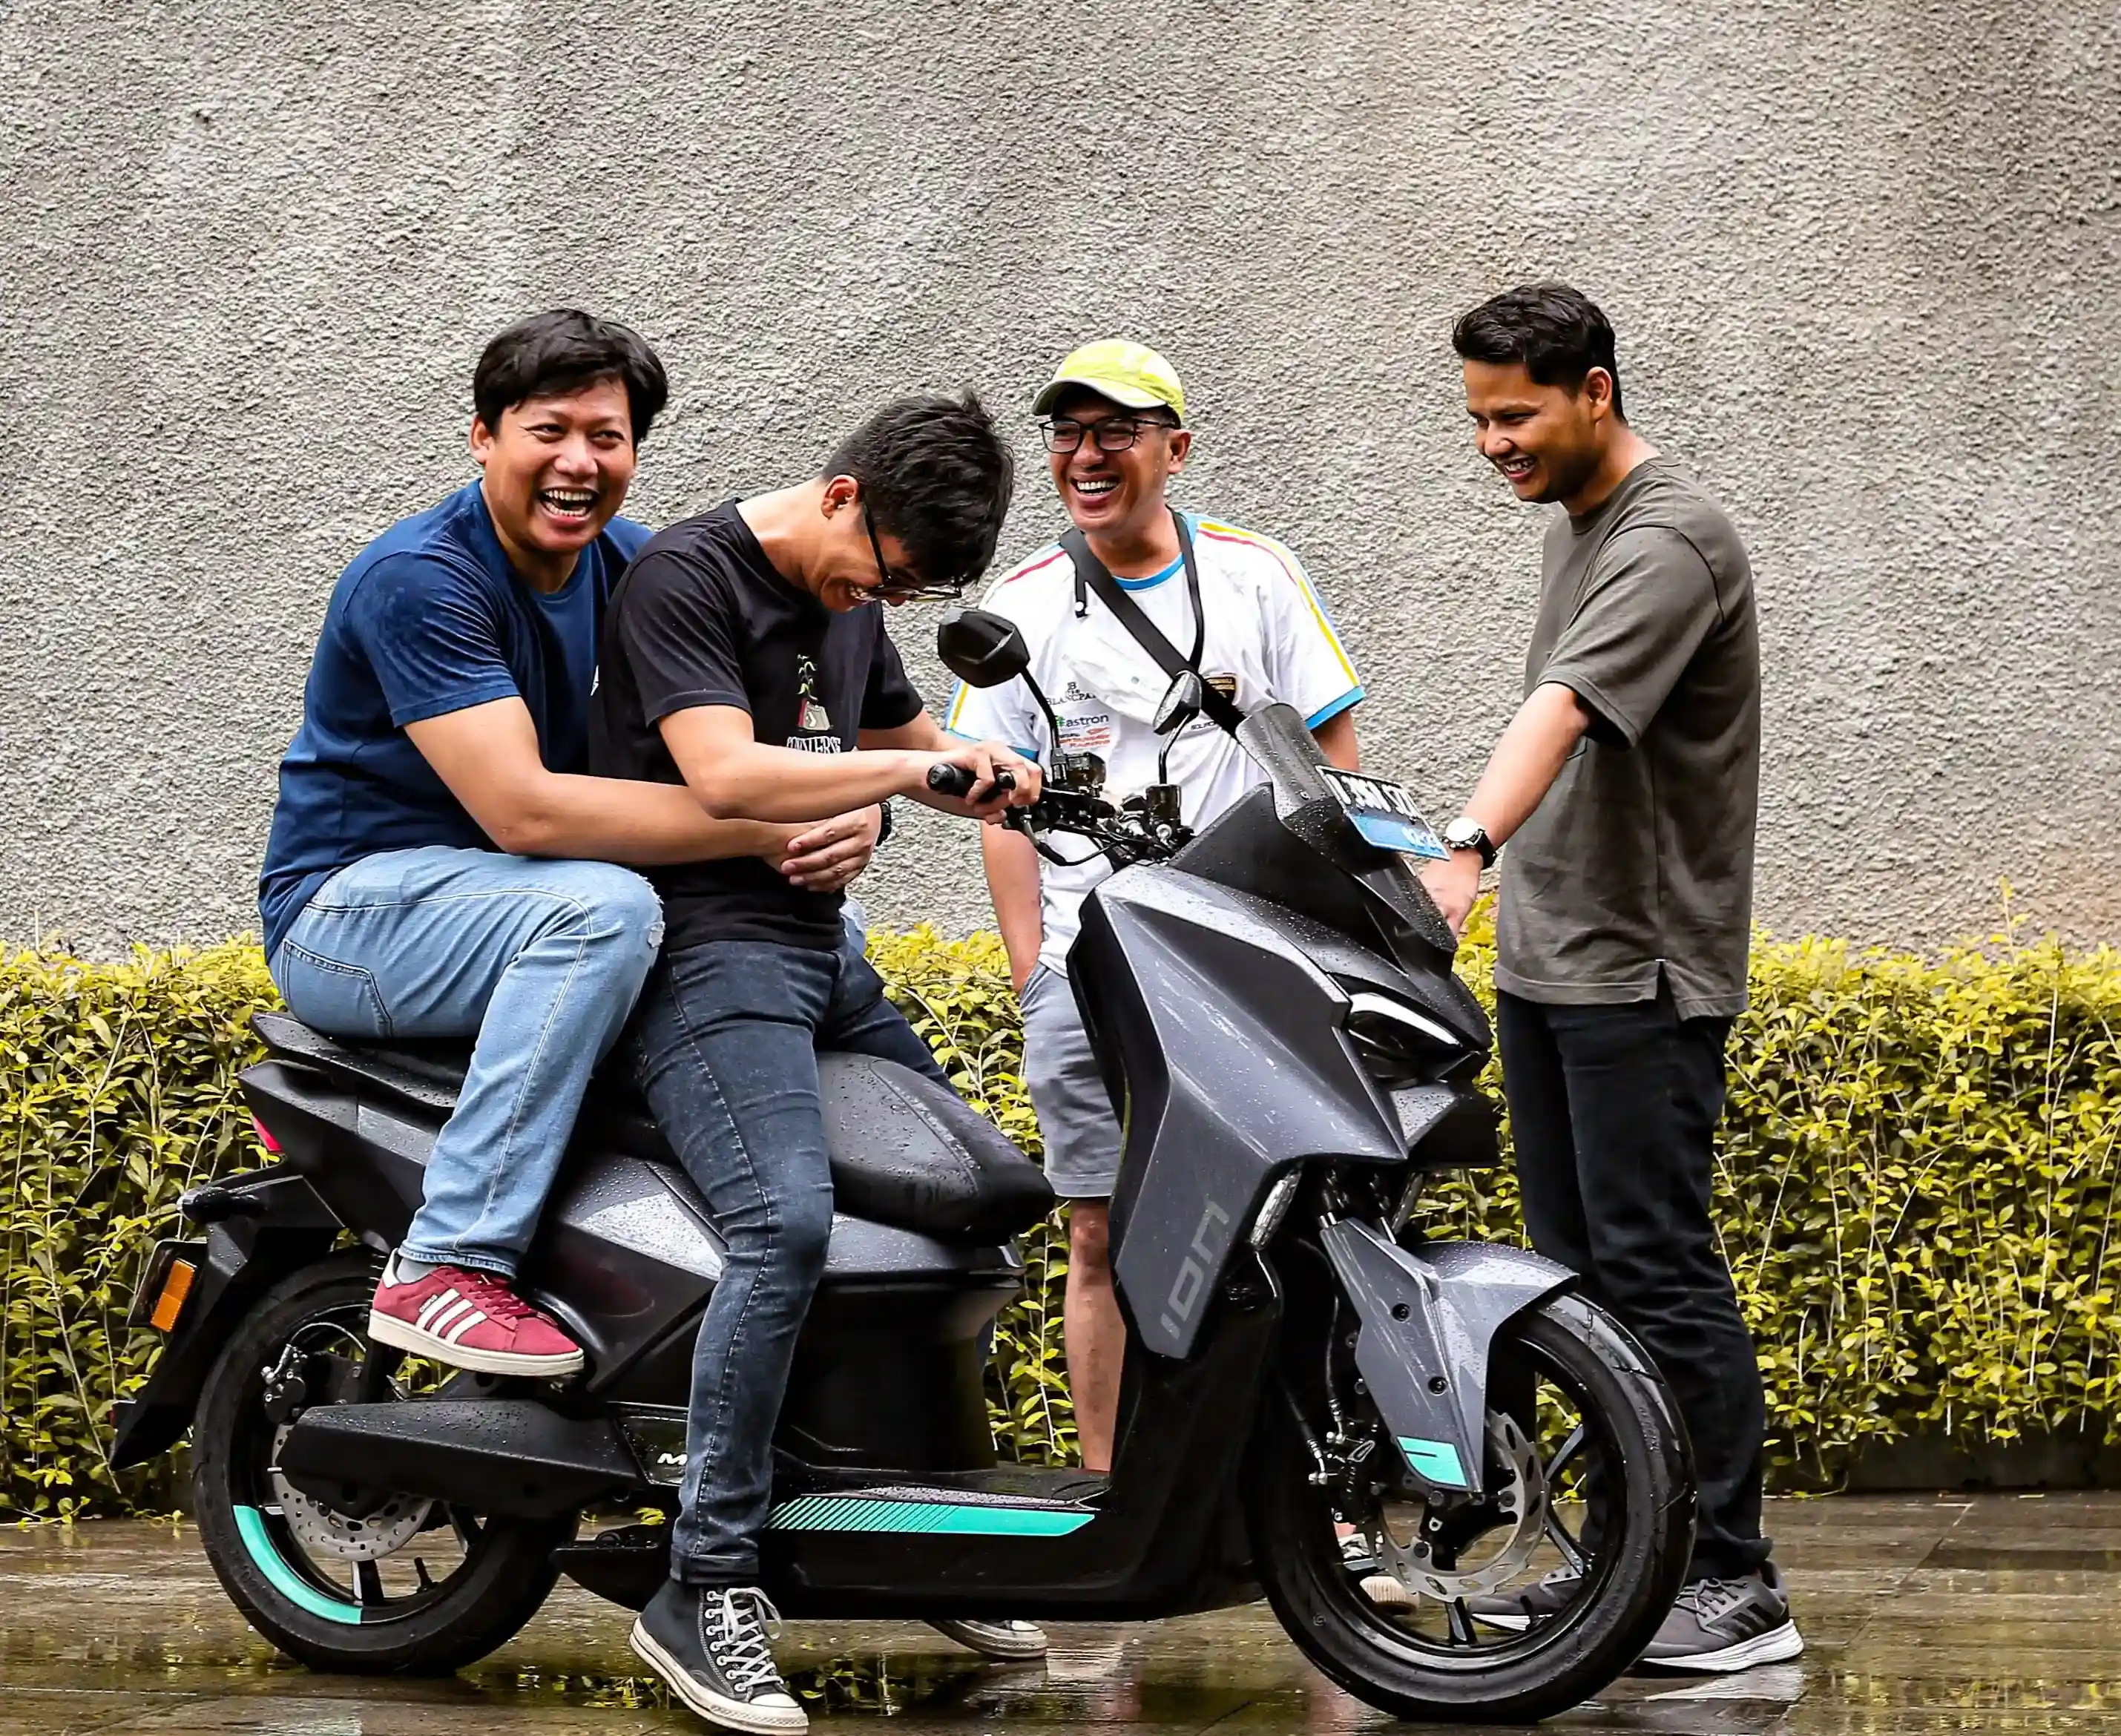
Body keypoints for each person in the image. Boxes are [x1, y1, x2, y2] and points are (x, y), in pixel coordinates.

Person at [258, 310, 885, 1381]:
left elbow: (764, 753)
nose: (579, 462)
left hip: (527, 900)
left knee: (808, 930)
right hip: (352, 916)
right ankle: (449, 1260)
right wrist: (759, 825)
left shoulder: (641, 569)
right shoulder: (421, 576)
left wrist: (848, 817)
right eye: (549, 430)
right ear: (483, 437)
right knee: (605, 910)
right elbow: (527, 816)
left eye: (609, 437)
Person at [589, 392, 1047, 1734]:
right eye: (885, 571)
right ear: (843, 493)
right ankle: (704, 1581)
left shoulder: (856, 599)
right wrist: (893, 792)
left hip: (818, 954)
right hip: (702, 953)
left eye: (909, 589)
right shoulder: (689, 576)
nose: (882, 601)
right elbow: (726, 777)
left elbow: (899, 741)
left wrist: (991, 762)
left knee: (971, 1204)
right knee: (782, 1228)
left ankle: (912, 1530)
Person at [1423, 283, 1798, 1670]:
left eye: (1513, 415)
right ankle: (1629, 1570)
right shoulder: (1580, 529)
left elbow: (1564, 709)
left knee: (1656, 1271)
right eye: (1474, 418)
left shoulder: (1670, 539)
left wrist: (1465, 847)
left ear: (1593, 391)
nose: (1490, 445)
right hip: (1556, 967)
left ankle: (1737, 1583)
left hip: (1639, 973)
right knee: (1579, 1289)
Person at [947, 341, 1364, 1473]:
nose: (1087, 456)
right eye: (1068, 435)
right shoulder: (1021, 605)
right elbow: (994, 798)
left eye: (1115, 432)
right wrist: (1034, 964)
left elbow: (1326, 755)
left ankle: (1301, 1494)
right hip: (1088, 967)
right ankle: (1106, 1487)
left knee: (1279, 1224)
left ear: (1173, 450)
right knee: (1096, 1229)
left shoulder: (1253, 577)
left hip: (1239, 960)